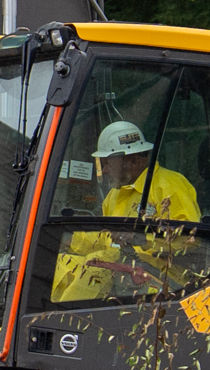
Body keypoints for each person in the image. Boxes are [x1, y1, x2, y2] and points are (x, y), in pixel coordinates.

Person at [52, 120, 201, 301]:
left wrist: (140, 238)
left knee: (94, 269)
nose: (105, 170)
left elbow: (189, 242)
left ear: (132, 160)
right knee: (59, 264)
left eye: (108, 163)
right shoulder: (114, 195)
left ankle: (66, 320)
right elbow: (106, 238)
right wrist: (70, 238)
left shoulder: (170, 185)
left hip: (160, 277)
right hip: (120, 267)